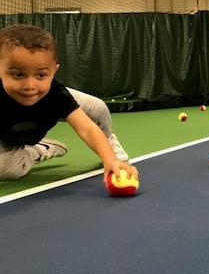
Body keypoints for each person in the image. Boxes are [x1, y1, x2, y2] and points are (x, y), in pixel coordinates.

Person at [0, 24, 138, 183]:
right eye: (18, 75)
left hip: (47, 102)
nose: (30, 85)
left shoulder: (56, 93)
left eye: (41, 75)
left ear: (54, 72)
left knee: (97, 108)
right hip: (6, 136)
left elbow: (86, 128)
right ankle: (39, 150)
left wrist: (111, 159)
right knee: (7, 170)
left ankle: (108, 144)